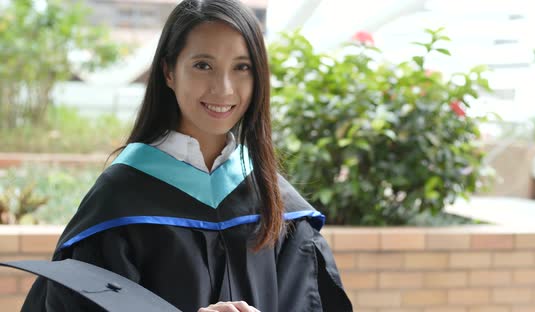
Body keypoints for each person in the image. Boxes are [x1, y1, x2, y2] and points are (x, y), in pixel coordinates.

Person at [21, 0, 353, 311]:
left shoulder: (280, 207)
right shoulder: (120, 202)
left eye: (242, 67)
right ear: (168, 72)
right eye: (203, 65)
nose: (223, 88)